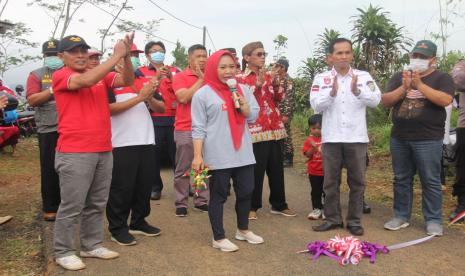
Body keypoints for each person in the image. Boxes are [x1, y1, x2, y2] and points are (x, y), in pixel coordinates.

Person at [52, 34, 134, 271]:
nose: (80, 55)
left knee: (97, 201)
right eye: (73, 51)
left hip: (103, 148)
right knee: (72, 204)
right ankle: (63, 251)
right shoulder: (62, 75)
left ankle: (91, 245)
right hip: (74, 151)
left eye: (83, 51)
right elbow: (86, 81)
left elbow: (127, 80)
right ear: (61, 56)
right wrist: (116, 54)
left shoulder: (100, 75)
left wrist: (126, 57)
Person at [191, 50, 263, 252]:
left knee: (247, 191)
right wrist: (198, 156)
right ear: (213, 69)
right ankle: (219, 237)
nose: (228, 71)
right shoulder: (202, 94)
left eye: (231, 67)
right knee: (219, 195)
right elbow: (198, 127)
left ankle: (243, 230)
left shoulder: (243, 89)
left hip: (243, 152)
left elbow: (253, 118)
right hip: (218, 154)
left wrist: (244, 106)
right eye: (222, 67)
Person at [382, 40, 454, 236]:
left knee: (430, 180)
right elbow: (386, 101)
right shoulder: (399, 76)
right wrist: (404, 88)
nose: (418, 60)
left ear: (433, 60)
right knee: (401, 178)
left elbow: (445, 100)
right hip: (400, 137)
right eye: (415, 56)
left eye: (423, 57)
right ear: (409, 57)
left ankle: (433, 220)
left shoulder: (442, 78)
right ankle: (401, 216)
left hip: (428, 138)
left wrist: (419, 85)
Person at [310, 38, 381, 236]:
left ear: (352, 54)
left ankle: (354, 221)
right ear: (331, 56)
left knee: (357, 182)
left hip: (356, 138)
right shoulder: (321, 78)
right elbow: (315, 104)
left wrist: (357, 91)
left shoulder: (363, 76)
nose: (343, 57)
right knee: (331, 182)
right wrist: (331, 94)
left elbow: (376, 100)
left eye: (347, 52)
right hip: (332, 138)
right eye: (339, 53)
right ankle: (332, 218)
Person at [106, 57, 165, 246]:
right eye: (124, 59)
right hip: (122, 142)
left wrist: (147, 96)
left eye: (132, 58)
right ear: (115, 62)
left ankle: (138, 222)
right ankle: (117, 227)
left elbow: (161, 107)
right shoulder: (109, 81)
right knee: (122, 188)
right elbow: (109, 110)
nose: (128, 62)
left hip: (146, 139)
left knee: (143, 186)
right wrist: (139, 97)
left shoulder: (143, 81)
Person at [237, 41, 295, 220]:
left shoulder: (270, 76)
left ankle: (279, 204)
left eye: (264, 54)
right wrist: (258, 86)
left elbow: (278, 98)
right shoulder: (239, 78)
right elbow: (241, 102)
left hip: (275, 127)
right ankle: (252, 206)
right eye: (259, 54)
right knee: (256, 170)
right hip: (255, 129)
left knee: (276, 168)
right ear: (247, 58)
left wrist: (277, 84)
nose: (263, 57)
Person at [136, 41, 179, 200]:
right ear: (147, 55)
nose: (158, 53)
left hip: (175, 119)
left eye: (161, 51)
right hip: (152, 119)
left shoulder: (175, 71)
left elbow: (182, 92)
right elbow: (141, 91)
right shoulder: (139, 72)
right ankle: (155, 187)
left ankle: (183, 186)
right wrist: (157, 77)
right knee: (153, 156)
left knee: (178, 156)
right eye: (154, 51)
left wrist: (171, 78)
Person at [26, 39, 63, 221]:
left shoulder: (71, 72)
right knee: (50, 168)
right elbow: (32, 100)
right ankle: (51, 206)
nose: (53, 57)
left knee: (73, 168)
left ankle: (72, 204)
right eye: (49, 55)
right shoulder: (37, 75)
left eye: (56, 54)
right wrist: (53, 90)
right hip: (48, 128)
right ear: (44, 57)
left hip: (71, 127)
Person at [172, 44, 209, 217]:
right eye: (198, 56)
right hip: (186, 128)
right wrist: (201, 80)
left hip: (207, 129)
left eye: (204, 56)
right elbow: (183, 97)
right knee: (184, 167)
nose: (202, 59)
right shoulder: (180, 76)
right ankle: (181, 202)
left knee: (202, 167)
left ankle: (201, 200)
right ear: (189, 59)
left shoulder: (213, 77)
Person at [450, 60, 465, 222]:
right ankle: (463, 205)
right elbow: (458, 80)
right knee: (463, 167)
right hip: (464, 127)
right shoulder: (461, 65)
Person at [303, 114, 325, 220]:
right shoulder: (309, 140)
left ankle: (327, 209)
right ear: (310, 129)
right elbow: (307, 155)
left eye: (320, 128)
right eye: (314, 128)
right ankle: (316, 209)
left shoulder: (327, 138)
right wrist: (312, 147)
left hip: (326, 171)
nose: (317, 130)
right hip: (314, 172)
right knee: (316, 191)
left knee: (327, 191)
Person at [276, 58, 295, 167]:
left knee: (286, 134)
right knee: (280, 134)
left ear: (283, 67)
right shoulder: (278, 79)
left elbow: (289, 98)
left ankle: (288, 157)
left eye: (278, 66)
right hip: (277, 112)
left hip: (284, 112)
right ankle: (282, 156)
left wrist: (286, 114)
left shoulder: (289, 81)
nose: (276, 68)